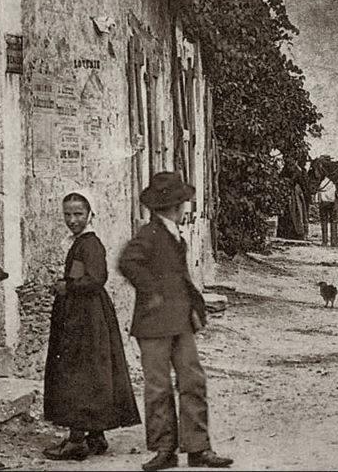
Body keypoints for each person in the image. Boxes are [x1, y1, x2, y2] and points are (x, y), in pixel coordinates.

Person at [118, 172, 233, 471]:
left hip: (179, 321)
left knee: (193, 380)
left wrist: (194, 309)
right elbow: (127, 262)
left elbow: (181, 278)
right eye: (184, 202)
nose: (186, 207)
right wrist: (151, 291)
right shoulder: (149, 234)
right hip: (154, 324)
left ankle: (198, 448)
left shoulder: (173, 234)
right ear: (176, 205)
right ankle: (164, 449)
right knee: (158, 387)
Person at [42, 191, 141, 460]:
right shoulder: (80, 242)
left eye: (78, 214)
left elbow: (97, 278)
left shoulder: (90, 244)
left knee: (79, 372)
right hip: (81, 313)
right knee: (90, 372)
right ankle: (96, 436)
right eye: (67, 214)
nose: (72, 220)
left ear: (89, 215)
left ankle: (76, 442)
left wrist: (67, 287)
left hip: (87, 317)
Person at [313, 155, 338, 246]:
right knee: (332, 220)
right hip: (330, 199)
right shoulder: (332, 175)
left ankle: (326, 241)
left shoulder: (322, 176)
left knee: (325, 220)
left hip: (326, 199)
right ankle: (333, 241)